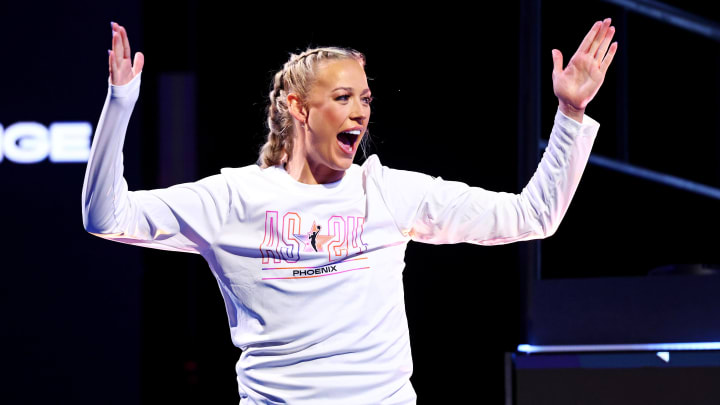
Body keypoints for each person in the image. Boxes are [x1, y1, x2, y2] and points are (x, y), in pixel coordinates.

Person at [83, 20, 617, 404]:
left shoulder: (385, 192)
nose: (361, 110)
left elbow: (533, 216)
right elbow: (107, 216)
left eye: (365, 98)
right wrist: (120, 103)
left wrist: (571, 112)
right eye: (343, 97)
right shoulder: (234, 199)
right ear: (298, 107)